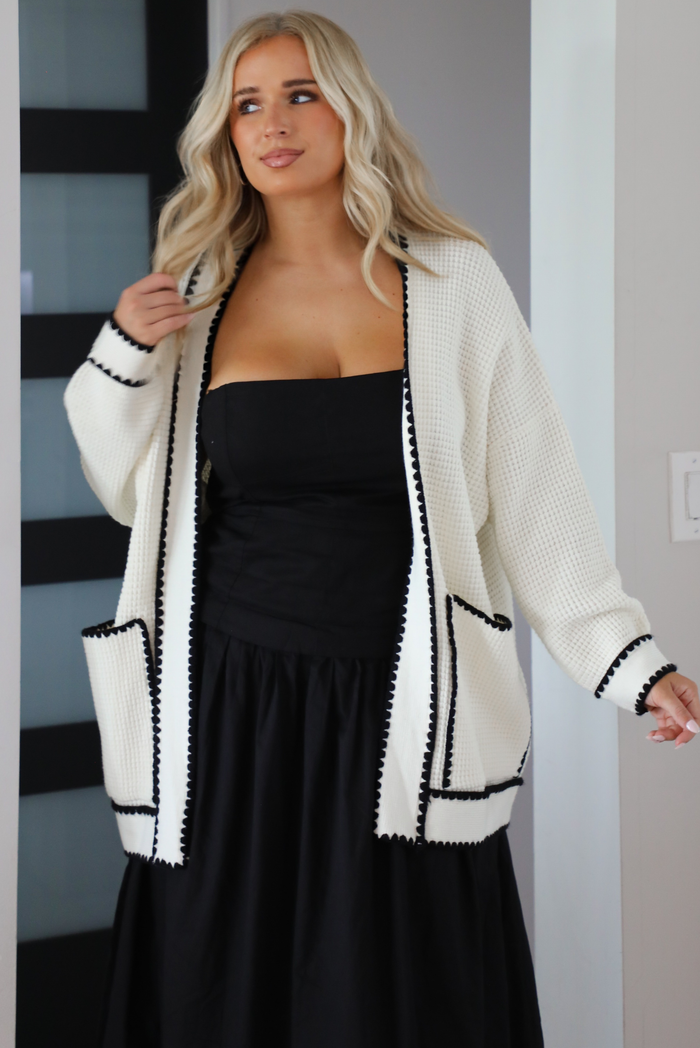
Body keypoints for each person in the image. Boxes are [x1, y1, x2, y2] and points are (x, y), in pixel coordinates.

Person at [64, 10, 699, 1048]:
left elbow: (534, 489)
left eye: (300, 95)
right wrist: (125, 353)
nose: (272, 124)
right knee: (223, 991)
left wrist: (631, 666)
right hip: (230, 707)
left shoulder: (454, 283)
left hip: (404, 702)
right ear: (225, 134)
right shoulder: (196, 290)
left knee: (399, 996)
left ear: (351, 109)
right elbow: (126, 485)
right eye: (247, 103)